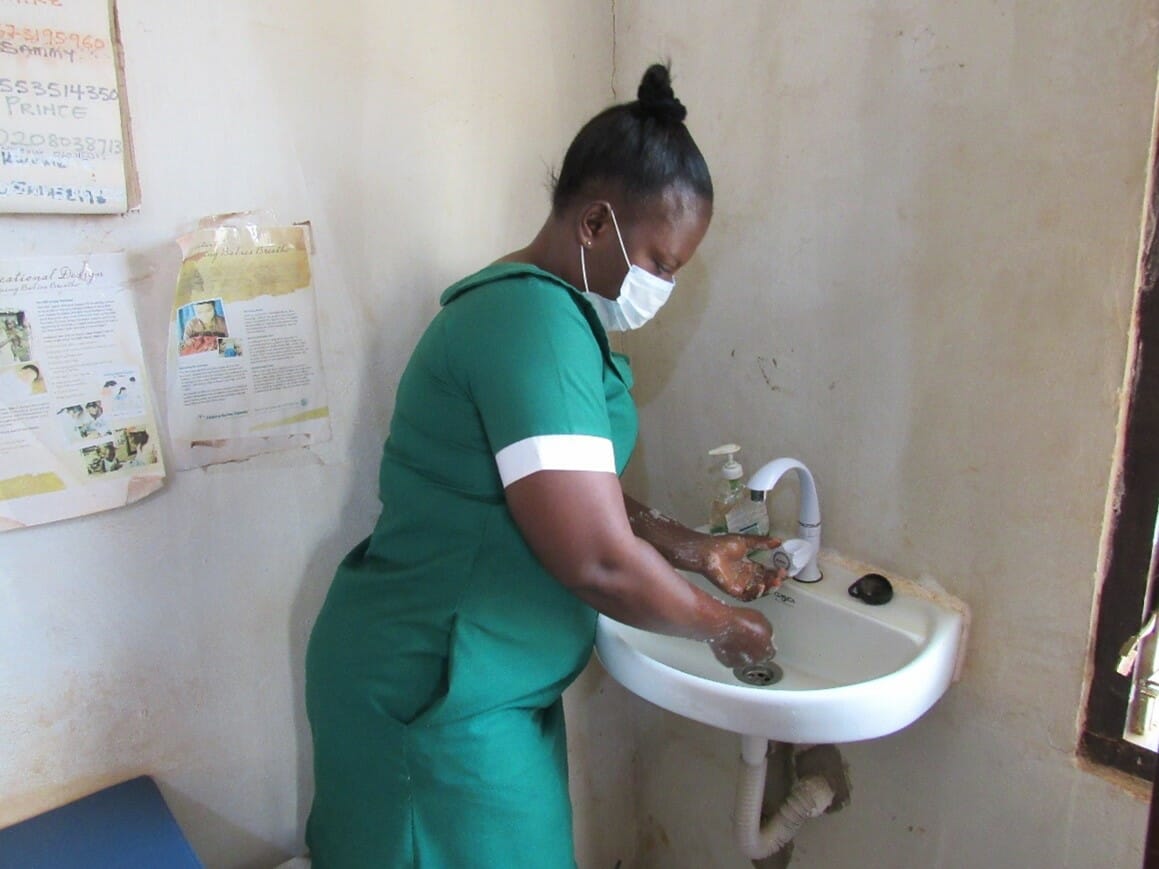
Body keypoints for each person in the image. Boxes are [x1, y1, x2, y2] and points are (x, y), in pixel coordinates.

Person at [304, 64, 782, 868]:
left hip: (481, 680)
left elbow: (570, 494)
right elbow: (594, 558)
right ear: (596, 223)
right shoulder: (530, 319)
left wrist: (689, 547)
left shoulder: (545, 314)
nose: (661, 286)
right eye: (660, 262)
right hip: (433, 691)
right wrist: (725, 627)